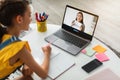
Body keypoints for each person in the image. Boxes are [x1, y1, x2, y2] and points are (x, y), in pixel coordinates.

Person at [0, 0, 51, 80]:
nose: (31, 19)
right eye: (29, 15)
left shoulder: (3, 34)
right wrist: (47, 53)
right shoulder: (19, 48)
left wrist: (25, 63)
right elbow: (43, 73)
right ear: (19, 19)